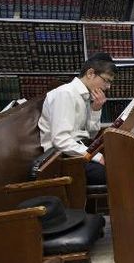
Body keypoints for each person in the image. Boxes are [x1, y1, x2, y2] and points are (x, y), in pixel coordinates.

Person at [38, 52, 117, 185]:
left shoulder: (85, 94)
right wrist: (96, 156)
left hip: (77, 149)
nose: (108, 87)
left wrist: (96, 109)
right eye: (107, 80)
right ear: (90, 73)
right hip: (61, 158)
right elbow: (60, 140)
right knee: (115, 174)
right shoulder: (66, 94)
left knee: (119, 163)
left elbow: (90, 135)